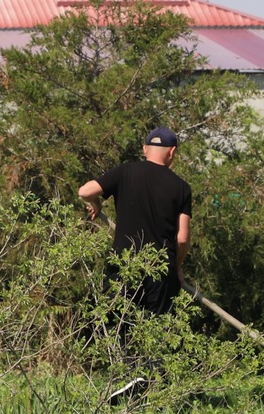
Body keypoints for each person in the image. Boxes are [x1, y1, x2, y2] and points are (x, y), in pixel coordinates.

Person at [78, 127, 193, 315]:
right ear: (172, 152)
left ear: (145, 149)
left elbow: (84, 192)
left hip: (123, 268)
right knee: (156, 335)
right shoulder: (182, 188)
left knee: (116, 334)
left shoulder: (125, 172)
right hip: (160, 274)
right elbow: (182, 239)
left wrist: (95, 202)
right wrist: (176, 266)